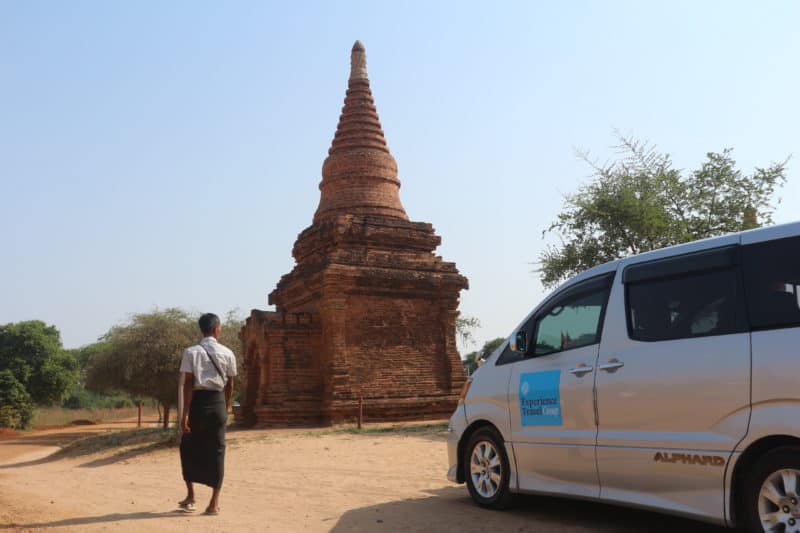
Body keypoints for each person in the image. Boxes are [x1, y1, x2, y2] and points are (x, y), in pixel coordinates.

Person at [177, 313, 237, 515]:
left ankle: (191, 496)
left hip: (197, 404)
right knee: (217, 450)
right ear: (217, 329)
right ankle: (214, 503)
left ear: (201, 329)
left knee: (188, 448)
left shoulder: (191, 352)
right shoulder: (228, 352)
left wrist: (184, 415)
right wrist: (226, 407)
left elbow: (187, 385)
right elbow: (230, 384)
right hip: (218, 403)